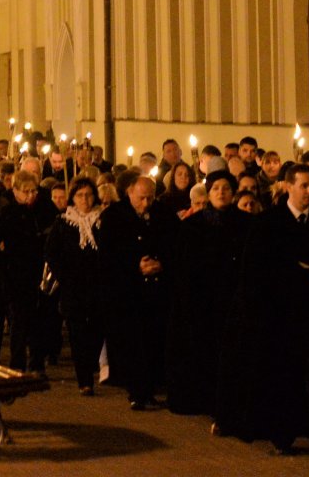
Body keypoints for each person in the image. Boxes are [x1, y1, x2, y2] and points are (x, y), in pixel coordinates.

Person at [242, 164, 309, 455]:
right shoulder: (268, 222)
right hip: (281, 315)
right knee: (283, 376)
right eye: (304, 186)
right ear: (288, 186)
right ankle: (282, 434)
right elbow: (257, 270)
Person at [166, 172, 248, 417]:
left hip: (233, 297)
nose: (221, 193)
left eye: (225, 188)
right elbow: (183, 265)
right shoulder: (193, 226)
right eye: (215, 189)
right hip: (203, 299)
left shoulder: (246, 224)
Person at [103, 174, 174, 410]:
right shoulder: (114, 217)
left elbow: (175, 243)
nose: (146, 203)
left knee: (154, 340)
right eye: (142, 198)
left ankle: (150, 387)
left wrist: (161, 262)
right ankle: (136, 390)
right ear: (130, 193)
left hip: (157, 290)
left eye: (150, 198)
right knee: (132, 344)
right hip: (128, 292)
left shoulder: (163, 214)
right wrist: (135, 266)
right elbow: (108, 254)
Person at [44, 178, 111, 394]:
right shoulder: (63, 223)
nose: (85, 199)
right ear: (73, 198)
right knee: (77, 332)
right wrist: (64, 275)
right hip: (73, 286)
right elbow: (51, 252)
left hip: (99, 285)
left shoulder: (103, 221)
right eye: (80, 195)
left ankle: (91, 363)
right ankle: (84, 380)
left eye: (89, 194)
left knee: (97, 330)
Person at [0, 172, 48, 372]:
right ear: (15, 191)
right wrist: (4, 265)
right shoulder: (8, 214)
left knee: (39, 321)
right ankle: (17, 363)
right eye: (26, 192)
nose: (30, 195)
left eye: (34, 191)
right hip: (15, 274)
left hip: (38, 273)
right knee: (19, 321)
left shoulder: (41, 211)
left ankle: (37, 362)